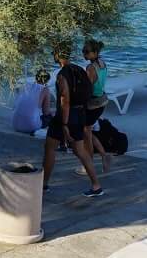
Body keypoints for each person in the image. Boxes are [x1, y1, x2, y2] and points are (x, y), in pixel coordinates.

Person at [40, 44, 102, 198]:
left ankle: (43, 184)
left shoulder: (62, 75)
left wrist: (65, 124)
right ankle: (96, 185)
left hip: (66, 116)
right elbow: (89, 90)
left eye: (54, 54)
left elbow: (65, 100)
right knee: (80, 151)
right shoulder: (79, 69)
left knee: (50, 148)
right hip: (80, 113)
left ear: (57, 56)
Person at [82, 39, 112, 170]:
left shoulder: (90, 68)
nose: (84, 54)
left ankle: (89, 164)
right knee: (87, 130)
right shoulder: (102, 63)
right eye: (83, 51)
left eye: (87, 51)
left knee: (86, 133)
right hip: (102, 101)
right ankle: (104, 155)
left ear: (95, 52)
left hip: (92, 104)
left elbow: (87, 88)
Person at [9, 68, 53, 136]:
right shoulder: (45, 89)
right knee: (49, 117)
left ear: (36, 78)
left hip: (15, 124)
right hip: (31, 126)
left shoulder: (26, 85)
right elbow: (46, 112)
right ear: (47, 80)